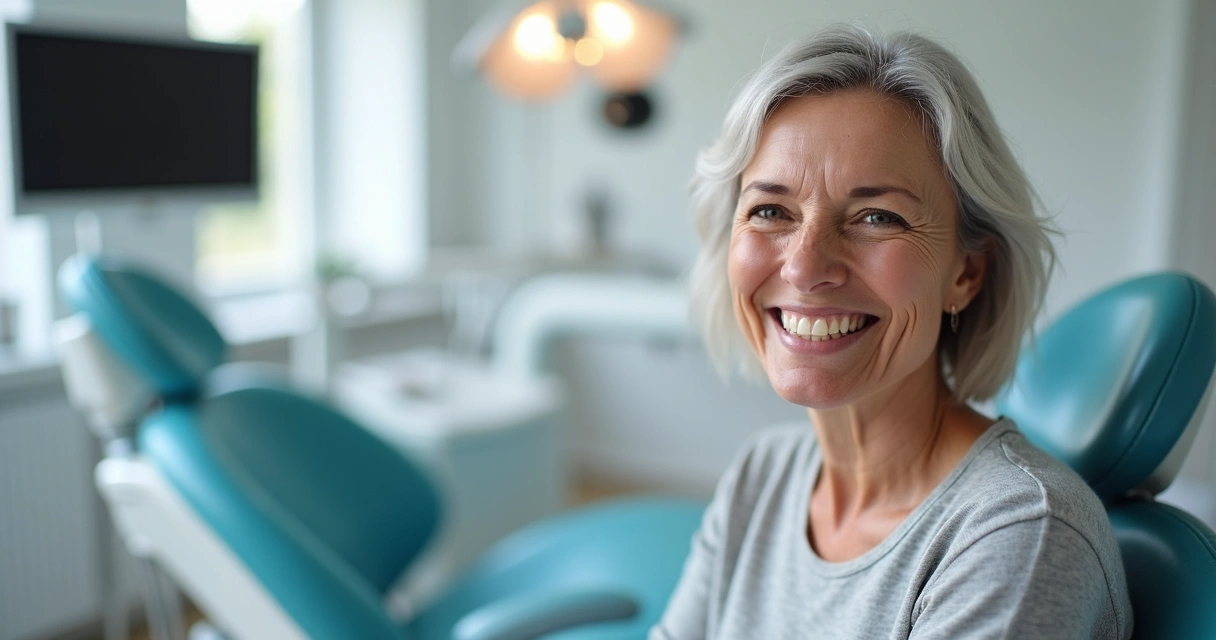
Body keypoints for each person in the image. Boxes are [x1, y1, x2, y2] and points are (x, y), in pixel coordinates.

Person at [651, 24, 1132, 639]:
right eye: (770, 210)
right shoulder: (764, 474)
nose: (803, 265)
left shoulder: (1017, 531)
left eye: (877, 217)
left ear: (966, 272)